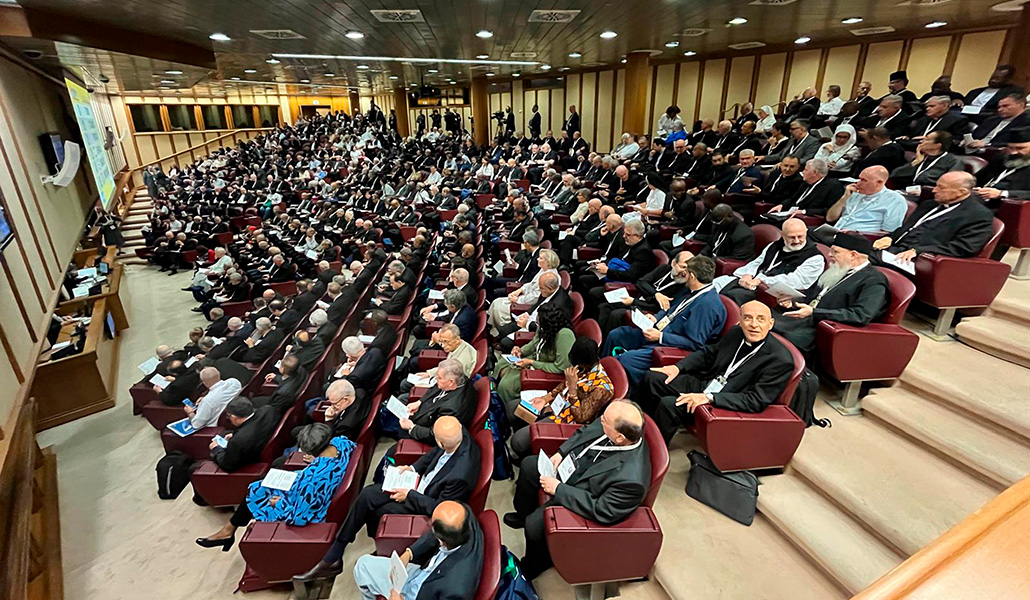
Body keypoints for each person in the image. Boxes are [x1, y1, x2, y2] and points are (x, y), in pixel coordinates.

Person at [293, 417, 480, 585]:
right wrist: (413, 468)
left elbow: (440, 508)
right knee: (367, 495)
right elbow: (434, 455)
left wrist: (409, 495)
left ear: (440, 440)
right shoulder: (455, 433)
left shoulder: (461, 475)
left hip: (423, 500)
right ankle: (336, 552)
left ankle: (340, 555)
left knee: (375, 510)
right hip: (415, 484)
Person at [505, 400, 650, 580]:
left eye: (604, 420)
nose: (600, 420)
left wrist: (559, 489)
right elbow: (583, 433)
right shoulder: (612, 424)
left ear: (620, 438)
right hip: (574, 465)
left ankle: (535, 564)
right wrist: (561, 452)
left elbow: (602, 509)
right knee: (529, 466)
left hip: (583, 491)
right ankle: (523, 512)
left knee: (534, 525)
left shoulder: (632, 480)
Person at [635, 301, 795, 444]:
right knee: (653, 378)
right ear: (740, 320)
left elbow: (755, 400)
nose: (754, 324)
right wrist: (678, 367)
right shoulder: (736, 333)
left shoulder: (780, 360)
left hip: (725, 402)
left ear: (771, 323)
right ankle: (635, 426)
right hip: (708, 383)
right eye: (747, 318)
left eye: (760, 319)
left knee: (670, 405)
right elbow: (708, 354)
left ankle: (651, 450)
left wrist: (709, 398)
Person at [195, 424, 357, 551]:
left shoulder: (312, 479)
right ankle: (229, 530)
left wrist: (278, 504)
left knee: (259, 494)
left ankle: (233, 533)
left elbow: (298, 518)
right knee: (259, 486)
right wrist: (316, 460)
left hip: (312, 507)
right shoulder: (341, 442)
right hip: (316, 486)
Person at [603, 255, 726, 383]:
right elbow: (670, 309)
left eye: (687, 272)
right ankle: (598, 372)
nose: (684, 275)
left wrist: (660, 337)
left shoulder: (707, 305)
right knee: (616, 335)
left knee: (626, 360)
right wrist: (655, 318)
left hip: (671, 345)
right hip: (659, 331)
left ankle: (609, 389)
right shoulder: (690, 290)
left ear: (693, 276)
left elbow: (694, 343)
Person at [773, 233, 890, 352]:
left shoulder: (874, 281)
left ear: (853, 255)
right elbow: (811, 296)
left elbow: (860, 315)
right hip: (805, 319)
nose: (829, 255)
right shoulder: (838, 269)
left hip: (823, 329)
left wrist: (815, 312)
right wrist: (792, 302)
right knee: (764, 318)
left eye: (835, 252)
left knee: (775, 334)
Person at [345, 501, 484, 600]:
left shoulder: (455, 590)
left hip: (420, 593)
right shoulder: (464, 517)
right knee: (362, 565)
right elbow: (434, 534)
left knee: (362, 569)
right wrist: (408, 554)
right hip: (422, 573)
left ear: (441, 540)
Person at [508, 338, 614, 458]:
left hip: (566, 420)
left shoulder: (602, 388)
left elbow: (581, 418)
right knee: (513, 408)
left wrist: (573, 390)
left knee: (517, 441)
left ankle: (528, 451)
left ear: (584, 365)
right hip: (555, 405)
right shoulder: (581, 368)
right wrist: (545, 398)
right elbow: (562, 386)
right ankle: (529, 435)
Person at [873, 172, 994, 272]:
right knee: (856, 245)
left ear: (961, 192)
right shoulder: (929, 204)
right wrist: (890, 237)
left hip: (919, 259)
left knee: (863, 260)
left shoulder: (978, 215)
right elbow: (907, 228)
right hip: (893, 248)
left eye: (941, 188)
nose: (934, 190)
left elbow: (963, 248)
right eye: (936, 185)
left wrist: (918, 251)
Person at [715, 218, 826, 304]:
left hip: (772, 292)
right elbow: (757, 262)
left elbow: (796, 281)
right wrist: (747, 274)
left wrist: (760, 280)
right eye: (792, 237)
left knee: (731, 296)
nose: (797, 241)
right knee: (716, 283)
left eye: (800, 236)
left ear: (806, 232)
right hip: (752, 283)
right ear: (783, 235)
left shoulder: (815, 258)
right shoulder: (775, 245)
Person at [494, 302, 575, 415]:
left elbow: (560, 367)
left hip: (546, 369)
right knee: (501, 364)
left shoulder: (565, 335)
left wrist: (532, 362)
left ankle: (505, 414)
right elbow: (534, 343)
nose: (538, 325)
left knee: (506, 385)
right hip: (535, 359)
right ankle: (494, 397)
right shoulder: (544, 327)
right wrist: (521, 351)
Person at [595, 251, 692, 334]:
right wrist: (656, 295)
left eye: (689, 269)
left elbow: (659, 307)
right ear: (674, 263)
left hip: (648, 310)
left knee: (616, 315)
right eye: (683, 267)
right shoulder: (664, 269)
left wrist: (634, 302)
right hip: (638, 299)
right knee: (604, 307)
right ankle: (599, 339)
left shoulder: (684, 287)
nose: (684, 272)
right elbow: (641, 282)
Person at [396, 359, 477, 445]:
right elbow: (435, 388)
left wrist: (411, 428)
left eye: (439, 377)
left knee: (399, 429)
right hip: (426, 412)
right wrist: (419, 402)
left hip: (424, 432)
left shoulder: (452, 409)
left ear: (451, 382)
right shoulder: (459, 379)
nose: (435, 379)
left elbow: (435, 435)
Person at [206, 397, 281, 473]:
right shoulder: (268, 410)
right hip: (266, 446)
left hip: (251, 461)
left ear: (233, 417)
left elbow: (227, 465)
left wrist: (216, 449)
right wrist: (235, 434)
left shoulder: (237, 441)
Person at [826, 166, 907, 234]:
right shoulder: (855, 193)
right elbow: (830, 218)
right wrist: (844, 198)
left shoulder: (895, 200)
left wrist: (856, 233)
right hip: (835, 232)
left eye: (864, 180)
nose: (858, 183)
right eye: (859, 179)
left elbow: (889, 233)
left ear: (879, 182)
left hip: (860, 238)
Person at [763, 158, 844, 221]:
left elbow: (828, 210)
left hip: (806, 219)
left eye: (805, 170)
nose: (803, 172)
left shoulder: (833, 186)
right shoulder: (804, 182)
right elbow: (793, 198)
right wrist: (782, 205)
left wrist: (804, 211)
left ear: (814, 172)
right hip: (790, 214)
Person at [974, 127, 1030, 201]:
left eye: (1020, 148)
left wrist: (1002, 194)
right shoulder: (1001, 157)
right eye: (1010, 148)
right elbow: (979, 178)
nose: (1013, 153)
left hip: (1007, 206)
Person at [890, 131, 962, 187]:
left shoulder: (953, 161)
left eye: (926, 139)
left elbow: (950, 183)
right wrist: (915, 162)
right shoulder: (921, 157)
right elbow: (895, 174)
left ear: (936, 146)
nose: (921, 141)